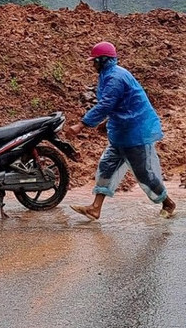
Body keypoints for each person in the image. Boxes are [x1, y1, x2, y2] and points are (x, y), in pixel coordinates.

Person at [70, 41, 178, 221]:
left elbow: (106, 104)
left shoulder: (115, 78)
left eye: (95, 61)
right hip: (121, 132)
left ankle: (168, 203)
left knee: (144, 174)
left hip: (135, 133)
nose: (93, 64)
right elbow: (119, 104)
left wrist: (82, 124)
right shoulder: (108, 75)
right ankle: (95, 208)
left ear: (103, 60)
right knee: (107, 166)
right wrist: (106, 122)